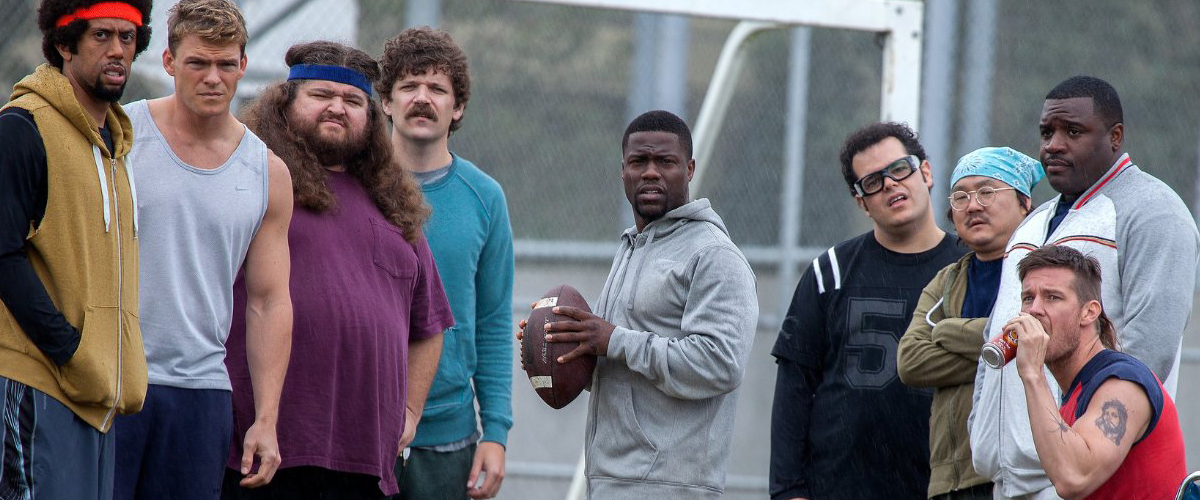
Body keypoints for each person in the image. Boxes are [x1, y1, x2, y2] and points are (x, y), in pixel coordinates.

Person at [219, 41, 453, 499]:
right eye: (321, 95)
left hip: (364, 459)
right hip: (262, 449)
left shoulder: (394, 205)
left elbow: (429, 325)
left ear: (371, 117)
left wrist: (409, 411)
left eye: (352, 100)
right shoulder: (249, 178)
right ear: (286, 102)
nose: (337, 108)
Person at [968, 76, 1199, 500]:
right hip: (1010, 476)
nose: (1053, 145)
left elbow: (1150, 349)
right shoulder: (1034, 220)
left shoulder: (1155, 211)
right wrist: (982, 429)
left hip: (1085, 471)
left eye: (1073, 132)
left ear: (1115, 137)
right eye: (1046, 133)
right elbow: (1000, 329)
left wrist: (1086, 437)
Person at [520, 110, 757, 499]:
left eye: (665, 161)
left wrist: (614, 339)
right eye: (638, 161)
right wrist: (558, 348)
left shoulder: (714, 255)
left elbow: (720, 364)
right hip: (610, 480)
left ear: (689, 169)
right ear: (623, 171)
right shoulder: (631, 248)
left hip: (672, 487)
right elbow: (625, 369)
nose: (650, 172)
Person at [114, 1, 293, 498]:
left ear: (243, 64)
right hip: (111, 380)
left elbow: (269, 301)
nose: (213, 77)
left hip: (201, 392)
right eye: (198, 63)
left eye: (226, 64)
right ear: (169, 62)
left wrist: (267, 419)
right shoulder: (118, 136)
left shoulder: (266, 171)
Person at [0, 1, 152, 497]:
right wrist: (70, 350)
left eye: (128, 37)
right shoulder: (22, 127)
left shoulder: (115, 145)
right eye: (101, 36)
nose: (118, 51)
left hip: (97, 396)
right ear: (65, 44)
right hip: (38, 383)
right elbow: (3, 256)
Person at [770, 122, 965, 500]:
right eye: (873, 181)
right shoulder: (830, 272)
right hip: (841, 487)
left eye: (899, 169)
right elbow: (794, 389)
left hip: (946, 487)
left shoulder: (971, 267)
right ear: (861, 202)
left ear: (926, 173)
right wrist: (788, 491)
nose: (890, 184)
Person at [377, 27, 513, 500]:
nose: (422, 98)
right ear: (386, 101)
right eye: (409, 86)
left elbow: (494, 321)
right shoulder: (352, 189)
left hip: (449, 439)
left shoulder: (485, 198)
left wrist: (496, 432)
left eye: (437, 88)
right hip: (360, 429)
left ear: (457, 108)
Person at [898, 147, 1044, 500]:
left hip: (1027, 473)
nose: (973, 205)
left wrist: (945, 330)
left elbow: (1042, 339)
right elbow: (910, 362)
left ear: (1025, 202)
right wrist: (1001, 353)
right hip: (952, 478)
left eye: (987, 191)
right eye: (961, 196)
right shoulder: (946, 281)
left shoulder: (1046, 274)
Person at [1008, 245, 1185, 499]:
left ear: (1089, 312)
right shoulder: (1077, 392)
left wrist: (1032, 374)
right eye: (1028, 298)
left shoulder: (1122, 383)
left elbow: (1073, 478)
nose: (1034, 310)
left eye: (1052, 297)